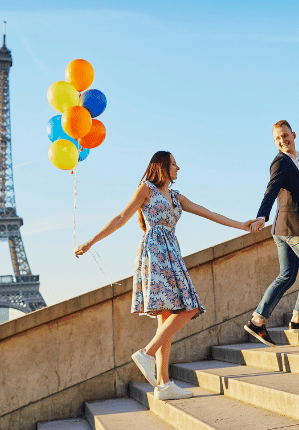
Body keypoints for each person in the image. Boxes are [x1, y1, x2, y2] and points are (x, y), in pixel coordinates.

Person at [75, 151, 258, 400]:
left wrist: (241, 225)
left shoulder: (175, 196)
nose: (178, 168)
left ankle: (163, 385)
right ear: (161, 166)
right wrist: (90, 242)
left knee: (166, 322)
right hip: (155, 251)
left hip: (172, 251)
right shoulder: (146, 189)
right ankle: (147, 353)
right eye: (173, 164)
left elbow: (208, 213)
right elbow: (120, 218)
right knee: (189, 307)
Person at [244, 120, 299, 347]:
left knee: (287, 275)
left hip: (283, 229)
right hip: (293, 227)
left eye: (285, 136)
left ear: (294, 134)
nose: (282, 140)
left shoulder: (294, 160)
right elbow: (271, 189)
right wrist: (261, 215)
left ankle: (257, 321)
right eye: (278, 138)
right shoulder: (280, 161)